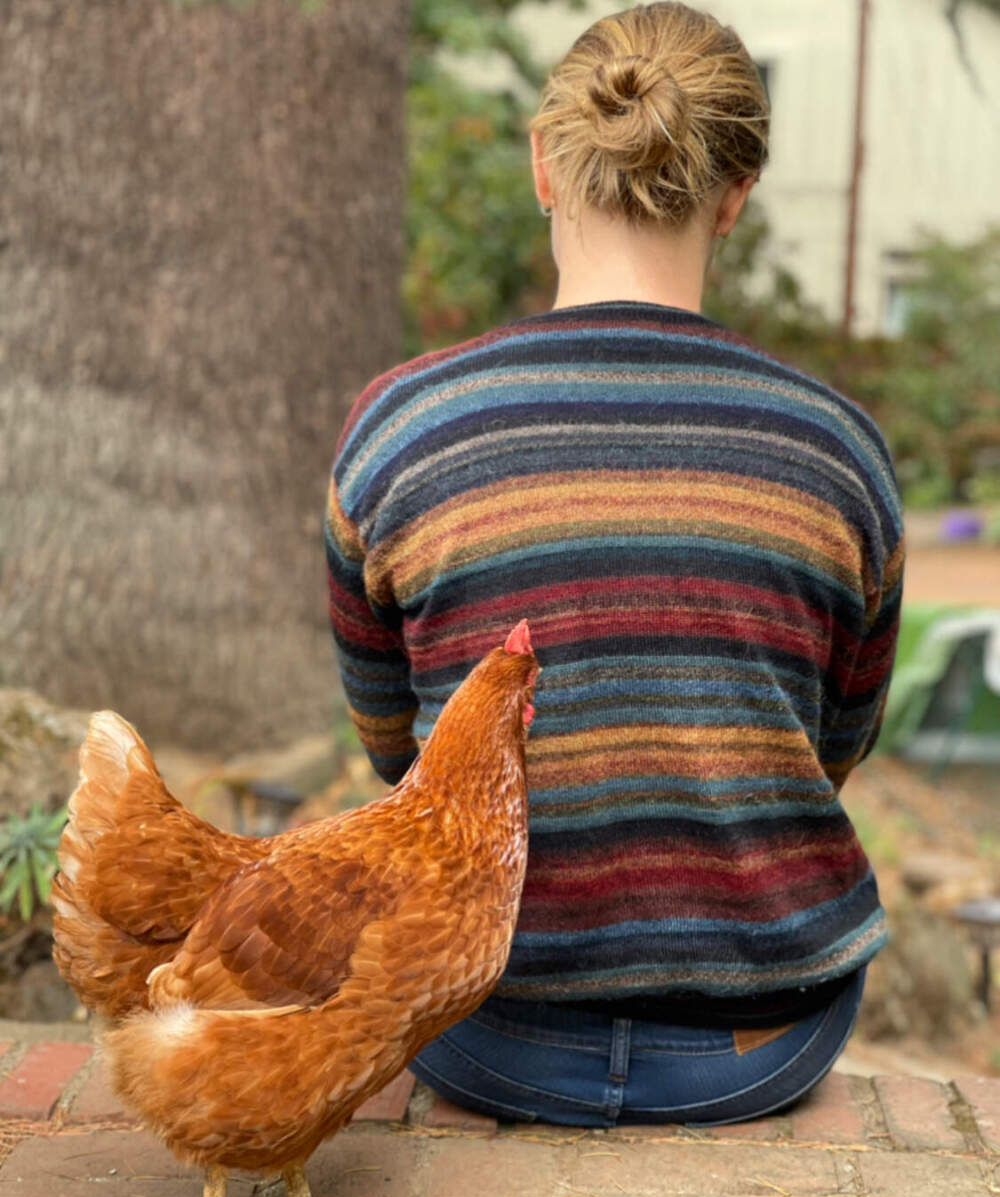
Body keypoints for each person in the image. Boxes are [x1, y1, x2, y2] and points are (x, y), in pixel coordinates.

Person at [325, 1, 903, 1127]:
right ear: (736, 196)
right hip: (763, 1039)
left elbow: (398, 750)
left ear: (544, 166)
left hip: (476, 1029)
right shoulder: (834, 449)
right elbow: (831, 747)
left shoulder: (402, 429)